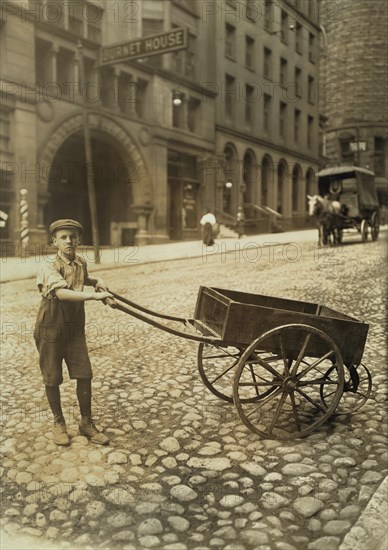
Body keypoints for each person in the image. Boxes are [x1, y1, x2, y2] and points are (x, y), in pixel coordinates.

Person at [34, 219, 112, 446]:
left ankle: (86, 423)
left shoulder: (79, 262)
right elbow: (62, 293)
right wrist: (95, 296)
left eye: (73, 237)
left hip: (75, 324)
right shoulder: (48, 265)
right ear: (54, 241)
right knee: (52, 375)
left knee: (84, 372)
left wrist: (98, 281)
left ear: (79, 239)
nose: (69, 241)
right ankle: (59, 423)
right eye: (64, 237)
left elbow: (81, 278)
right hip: (52, 323)